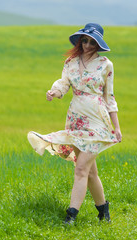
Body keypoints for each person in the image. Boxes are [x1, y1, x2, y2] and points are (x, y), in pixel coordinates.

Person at [27, 23, 122, 224]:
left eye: (92, 41)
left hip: (98, 121)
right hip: (76, 119)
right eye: (84, 40)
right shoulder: (70, 62)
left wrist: (117, 127)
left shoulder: (106, 64)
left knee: (80, 170)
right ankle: (104, 212)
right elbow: (64, 84)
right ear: (80, 41)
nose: (87, 45)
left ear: (98, 44)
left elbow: (110, 97)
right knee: (90, 172)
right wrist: (55, 92)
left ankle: (71, 216)